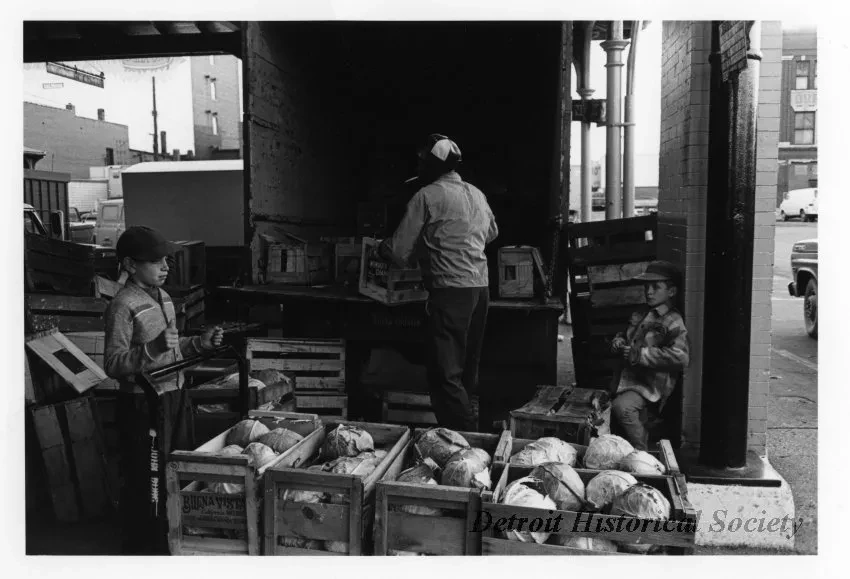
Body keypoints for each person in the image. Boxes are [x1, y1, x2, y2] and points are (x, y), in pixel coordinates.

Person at [104, 225, 223, 553]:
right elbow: (113, 364)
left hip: (174, 397)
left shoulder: (165, 298)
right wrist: (152, 350)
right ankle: (145, 547)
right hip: (144, 406)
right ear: (129, 265)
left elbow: (172, 349)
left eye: (167, 260)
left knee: (177, 468)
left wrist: (199, 343)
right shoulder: (123, 305)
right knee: (148, 478)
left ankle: (172, 536)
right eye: (156, 261)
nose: (166, 267)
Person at [380, 134, 499, 431]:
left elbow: (398, 251)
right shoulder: (477, 194)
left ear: (432, 165)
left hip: (450, 292)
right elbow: (492, 234)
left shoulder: (427, 196)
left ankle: (464, 440)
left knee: (445, 373)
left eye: (422, 161)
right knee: (466, 368)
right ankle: (468, 428)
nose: (418, 165)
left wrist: (379, 248)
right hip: (479, 290)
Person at [610, 260, 690, 451]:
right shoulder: (643, 313)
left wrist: (642, 355)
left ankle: (641, 451)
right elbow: (628, 335)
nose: (649, 291)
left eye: (656, 287)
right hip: (628, 379)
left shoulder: (673, 321)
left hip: (649, 385)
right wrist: (619, 341)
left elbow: (681, 357)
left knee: (623, 408)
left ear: (671, 292)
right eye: (647, 286)